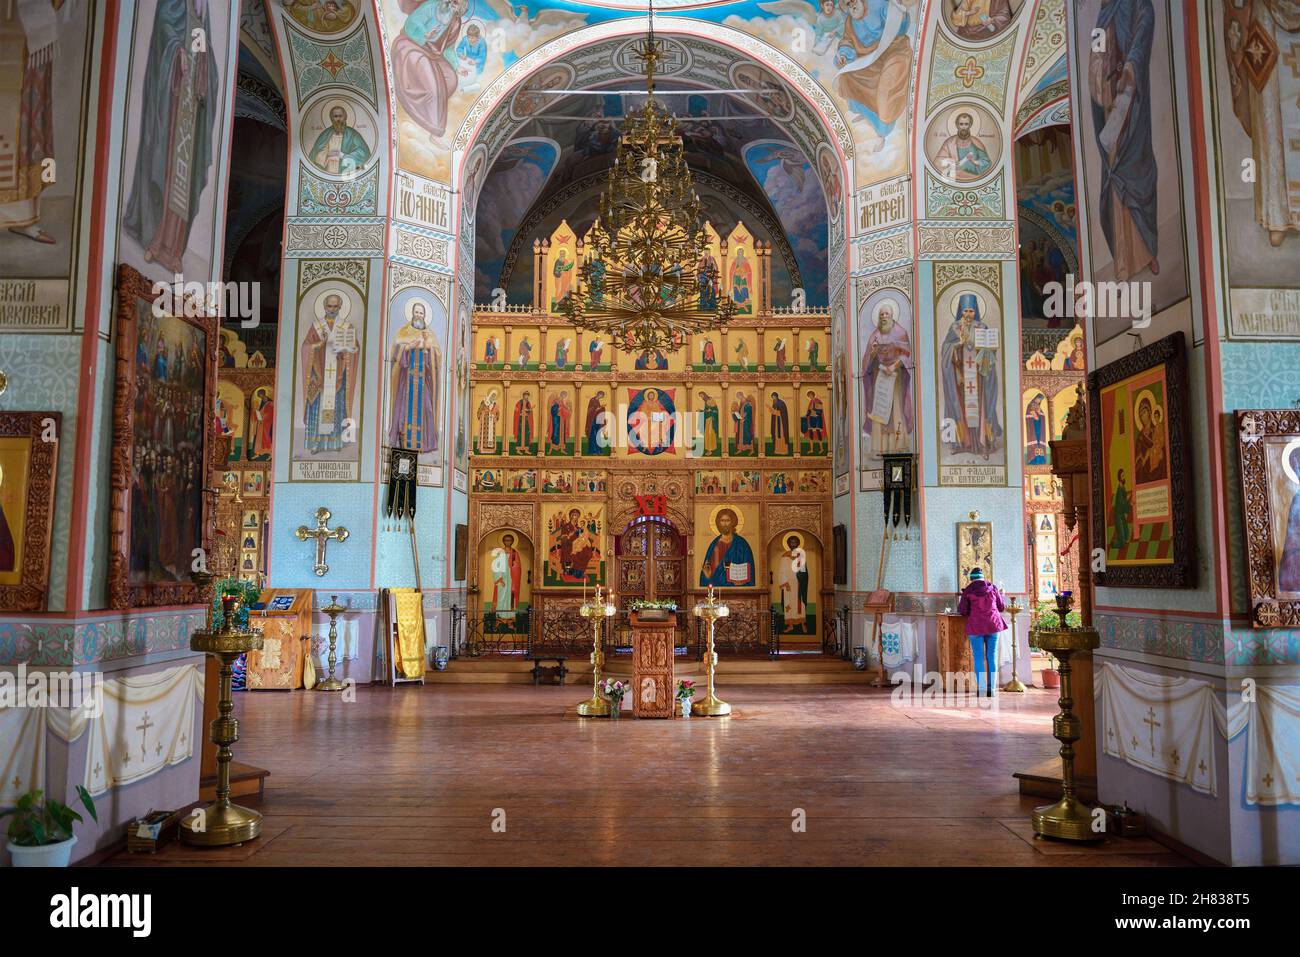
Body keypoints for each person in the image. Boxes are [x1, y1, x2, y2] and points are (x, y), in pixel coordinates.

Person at [956, 568, 1007, 697]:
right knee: (992, 656)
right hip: (993, 625)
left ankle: (983, 689)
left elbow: (963, 611)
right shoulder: (993, 588)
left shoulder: (968, 591)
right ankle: (993, 690)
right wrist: (1003, 595)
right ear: (983, 577)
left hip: (976, 627)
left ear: (971, 579)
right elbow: (1001, 607)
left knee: (978, 657)